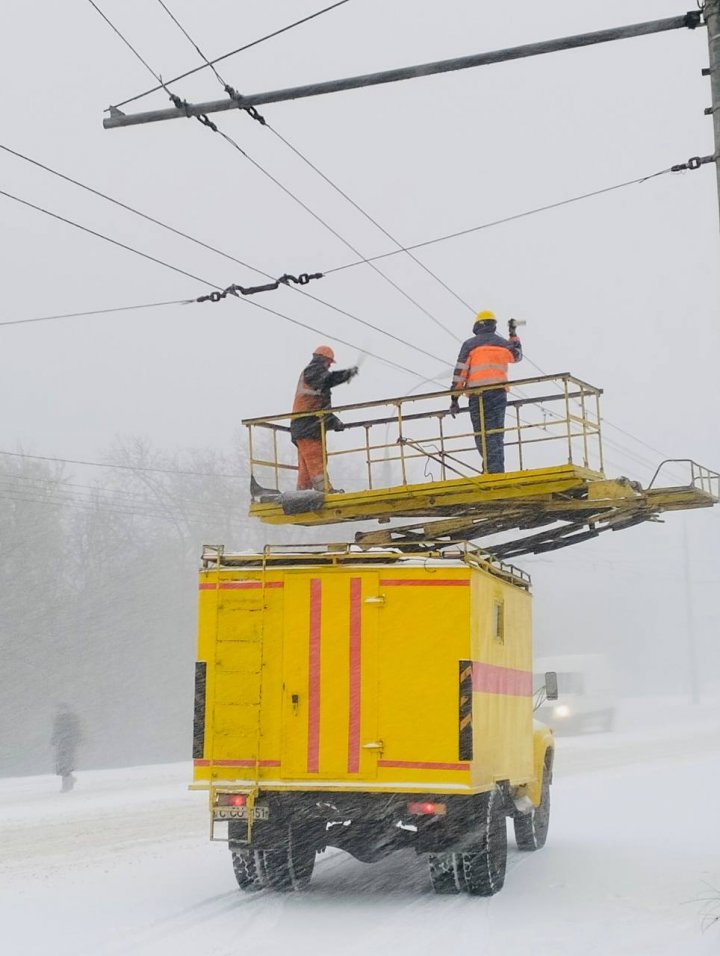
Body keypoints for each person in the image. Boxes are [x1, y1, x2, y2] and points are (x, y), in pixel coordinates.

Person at [449, 310, 523, 473]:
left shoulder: (469, 345)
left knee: (481, 433)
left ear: (477, 326)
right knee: (496, 433)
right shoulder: (503, 344)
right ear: (493, 325)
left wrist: (454, 398)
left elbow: (460, 373)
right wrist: (513, 334)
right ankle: (494, 469)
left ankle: (492, 471)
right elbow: (517, 356)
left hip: (478, 396)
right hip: (498, 394)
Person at [290, 345, 358, 493]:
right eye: (329, 362)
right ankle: (324, 490)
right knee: (316, 460)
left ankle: (302, 493)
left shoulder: (316, 379)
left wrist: (335, 422)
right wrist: (347, 374)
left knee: (307, 464)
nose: (329, 366)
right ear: (323, 359)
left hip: (305, 425)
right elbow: (329, 379)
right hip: (308, 425)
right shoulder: (313, 371)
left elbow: (322, 409)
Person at [51, 703, 82, 792]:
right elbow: (56, 731)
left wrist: (76, 739)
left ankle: (66, 784)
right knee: (62, 764)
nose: (60, 711)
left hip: (69, 744)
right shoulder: (58, 719)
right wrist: (53, 740)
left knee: (66, 763)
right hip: (61, 744)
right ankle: (69, 781)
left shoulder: (71, 719)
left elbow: (76, 730)